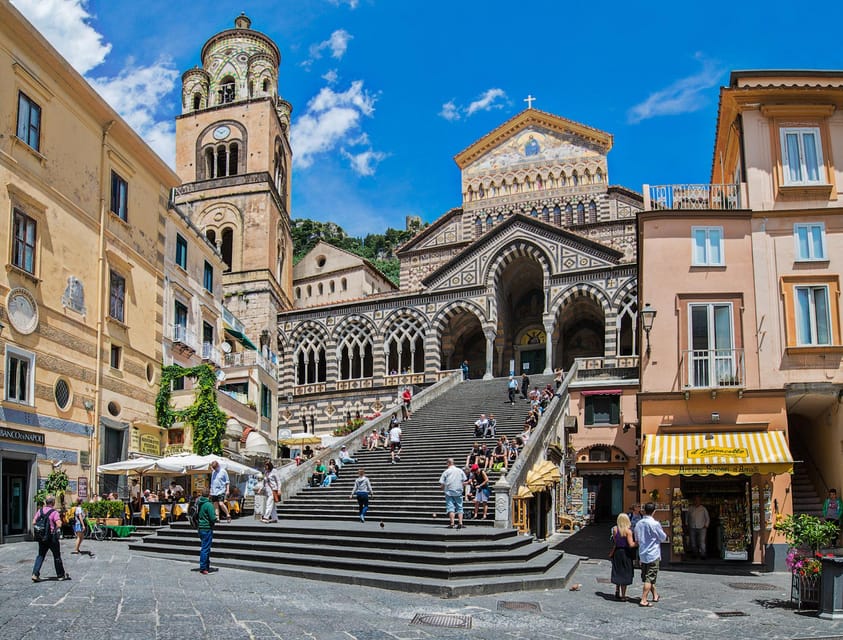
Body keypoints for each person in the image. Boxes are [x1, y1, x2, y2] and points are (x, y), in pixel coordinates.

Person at [634, 502, 667, 607]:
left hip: (642, 553)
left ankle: (655, 595)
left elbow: (637, 539)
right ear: (654, 511)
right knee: (650, 577)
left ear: (644, 511)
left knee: (647, 576)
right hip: (653, 553)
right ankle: (644, 599)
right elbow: (663, 537)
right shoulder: (655, 524)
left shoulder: (639, 523)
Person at [32, 495, 69, 582]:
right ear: (53, 503)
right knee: (56, 556)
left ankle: (35, 574)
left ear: (45, 502)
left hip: (41, 537)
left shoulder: (40, 511)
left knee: (40, 555)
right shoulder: (54, 512)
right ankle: (60, 575)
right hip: (51, 537)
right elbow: (59, 524)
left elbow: (34, 522)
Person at [610, 512, 637, 601]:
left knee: (618, 571)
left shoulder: (614, 529)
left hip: (617, 552)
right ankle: (623, 595)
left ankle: (617, 590)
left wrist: (611, 553)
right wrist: (638, 542)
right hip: (625, 553)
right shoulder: (628, 531)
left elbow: (615, 542)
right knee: (625, 572)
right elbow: (631, 544)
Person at [439, 458, 468, 529]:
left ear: (448, 463)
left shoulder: (446, 471)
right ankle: (460, 523)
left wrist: (442, 487)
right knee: (460, 507)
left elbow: (442, 483)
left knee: (450, 507)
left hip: (449, 491)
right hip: (458, 491)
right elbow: (464, 480)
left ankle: (452, 523)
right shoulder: (460, 470)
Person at [196, 488, 216, 575]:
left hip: (200, 527)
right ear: (209, 495)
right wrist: (216, 518)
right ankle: (203, 567)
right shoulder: (208, 504)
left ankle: (206, 566)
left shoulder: (199, 503)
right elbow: (212, 518)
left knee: (205, 547)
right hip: (207, 528)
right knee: (205, 548)